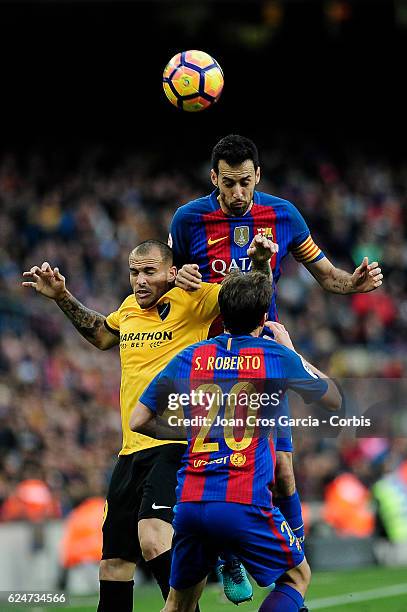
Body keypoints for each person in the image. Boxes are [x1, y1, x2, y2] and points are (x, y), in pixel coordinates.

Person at [22, 236, 275, 612]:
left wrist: (258, 261)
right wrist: (62, 296)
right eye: (134, 273)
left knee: (154, 537)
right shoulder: (127, 310)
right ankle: (217, 554)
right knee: (113, 564)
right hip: (131, 449)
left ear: (171, 272)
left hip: (176, 443)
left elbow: (249, 301)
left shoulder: (194, 297)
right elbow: (102, 335)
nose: (139, 280)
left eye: (149, 272)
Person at [169, 134, 383, 556]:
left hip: (261, 358)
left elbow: (327, 275)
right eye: (228, 183)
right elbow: (166, 281)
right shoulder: (188, 219)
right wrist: (179, 279)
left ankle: (295, 559)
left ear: (258, 176)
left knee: (283, 470)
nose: (237, 193)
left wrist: (353, 284)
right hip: (208, 364)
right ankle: (226, 557)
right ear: (214, 178)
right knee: (214, 467)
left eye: (245, 182)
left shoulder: (282, 215)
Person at [130, 271, 342, 612]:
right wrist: (292, 350)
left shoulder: (190, 356)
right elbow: (333, 399)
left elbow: (138, 419)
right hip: (242, 501)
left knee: (178, 604)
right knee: (297, 577)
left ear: (222, 314)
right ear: (263, 317)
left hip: (189, 504)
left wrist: (195, 431)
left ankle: (228, 562)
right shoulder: (272, 355)